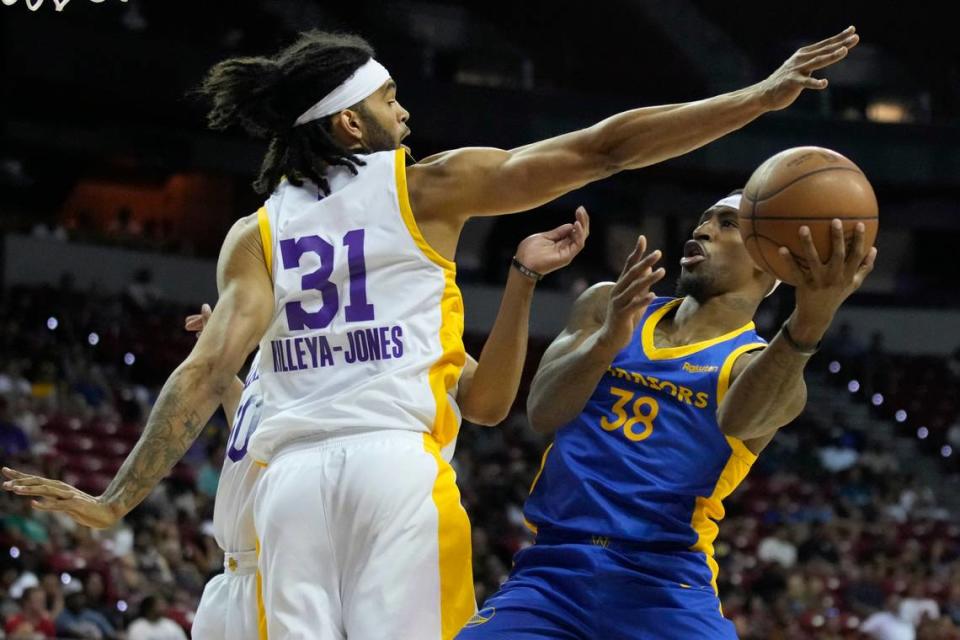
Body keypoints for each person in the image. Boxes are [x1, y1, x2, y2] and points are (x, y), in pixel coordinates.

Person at [3, 25, 859, 639]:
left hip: (288, 488)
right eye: (389, 101)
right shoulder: (425, 188)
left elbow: (200, 374)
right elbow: (604, 150)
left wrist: (119, 497)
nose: (406, 114)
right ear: (348, 126)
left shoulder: (253, 235)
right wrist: (757, 99)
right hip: (395, 471)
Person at [456, 192, 876, 639]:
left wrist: (810, 322)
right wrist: (608, 342)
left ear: (767, 262)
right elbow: (542, 411)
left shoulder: (755, 367)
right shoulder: (610, 305)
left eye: (726, 224)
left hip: (665, 586)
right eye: (703, 220)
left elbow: (739, 420)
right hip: (552, 572)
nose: (701, 230)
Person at [188, 217, 591, 639]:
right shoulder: (280, 345)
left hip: (298, 547)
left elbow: (488, 403)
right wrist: (223, 377)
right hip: (245, 568)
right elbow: (252, 435)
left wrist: (522, 280)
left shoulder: (405, 327)